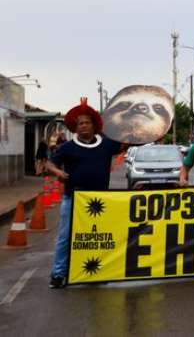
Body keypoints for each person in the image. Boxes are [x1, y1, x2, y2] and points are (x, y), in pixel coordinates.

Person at [46, 98, 125, 288]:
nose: (83, 126)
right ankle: (58, 274)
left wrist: (147, 132)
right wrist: (58, 172)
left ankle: (97, 272)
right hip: (73, 199)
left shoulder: (106, 144)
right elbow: (50, 164)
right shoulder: (67, 147)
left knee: (99, 239)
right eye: (79, 123)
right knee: (65, 237)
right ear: (75, 127)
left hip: (100, 202)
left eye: (87, 122)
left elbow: (126, 144)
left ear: (94, 125)